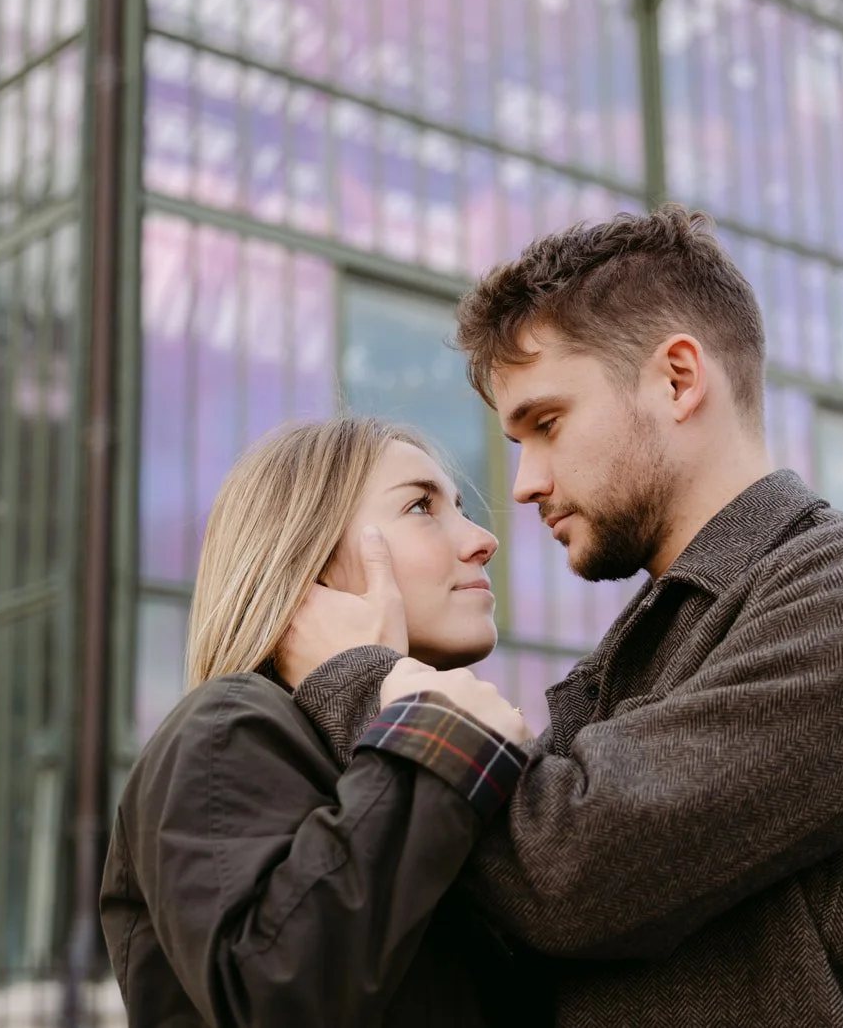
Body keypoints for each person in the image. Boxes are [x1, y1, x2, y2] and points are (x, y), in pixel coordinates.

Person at [280, 206, 843, 1026]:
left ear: (677, 378)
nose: (523, 482)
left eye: (546, 424)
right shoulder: (633, 652)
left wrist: (364, 681)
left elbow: (568, 866)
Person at [99, 417, 553, 1028]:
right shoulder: (226, 723)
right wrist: (441, 736)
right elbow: (273, 997)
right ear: (309, 560)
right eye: (421, 506)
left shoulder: (413, 759)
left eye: (462, 507)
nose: (481, 538)